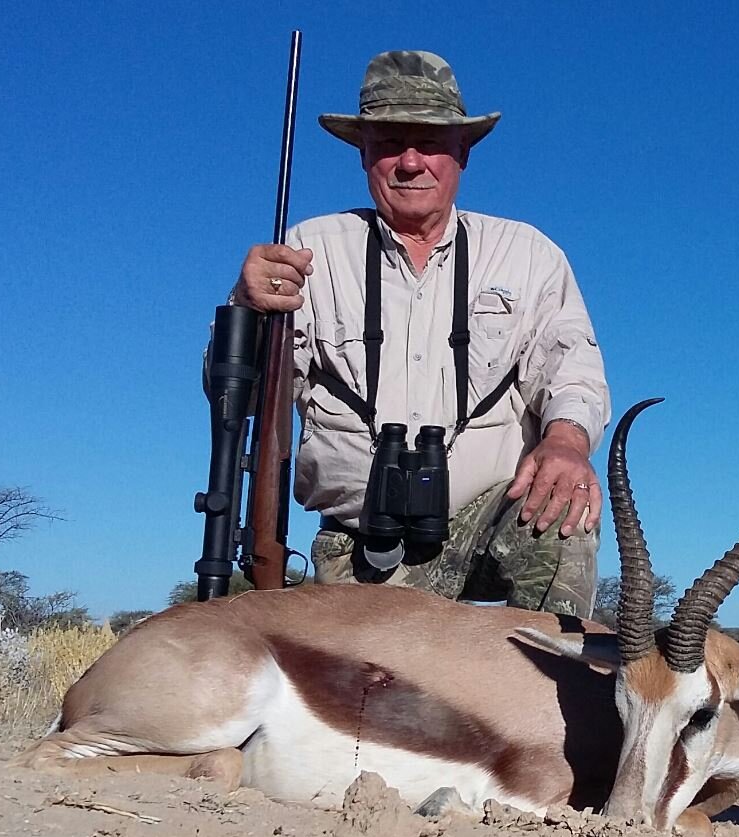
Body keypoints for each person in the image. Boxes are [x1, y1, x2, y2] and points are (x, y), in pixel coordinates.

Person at [229, 51, 610, 617]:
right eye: (388, 142)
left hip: (489, 513)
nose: (411, 162)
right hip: (361, 542)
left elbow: (572, 367)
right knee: (365, 696)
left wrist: (566, 443)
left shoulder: (528, 254)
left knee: (563, 510)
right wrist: (246, 308)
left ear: (463, 151)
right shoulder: (310, 248)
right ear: (362, 153)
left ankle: (552, 696)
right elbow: (247, 395)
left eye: (430, 142)